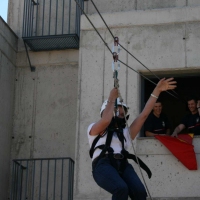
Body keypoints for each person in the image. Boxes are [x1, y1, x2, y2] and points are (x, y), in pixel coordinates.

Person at [87, 78, 176, 200]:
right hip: (102, 165)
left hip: (123, 164)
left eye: (123, 115)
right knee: (120, 188)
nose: (122, 117)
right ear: (108, 111)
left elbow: (144, 115)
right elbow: (106, 120)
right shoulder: (94, 129)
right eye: (119, 113)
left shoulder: (125, 133)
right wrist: (112, 99)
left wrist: (157, 90)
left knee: (139, 192)